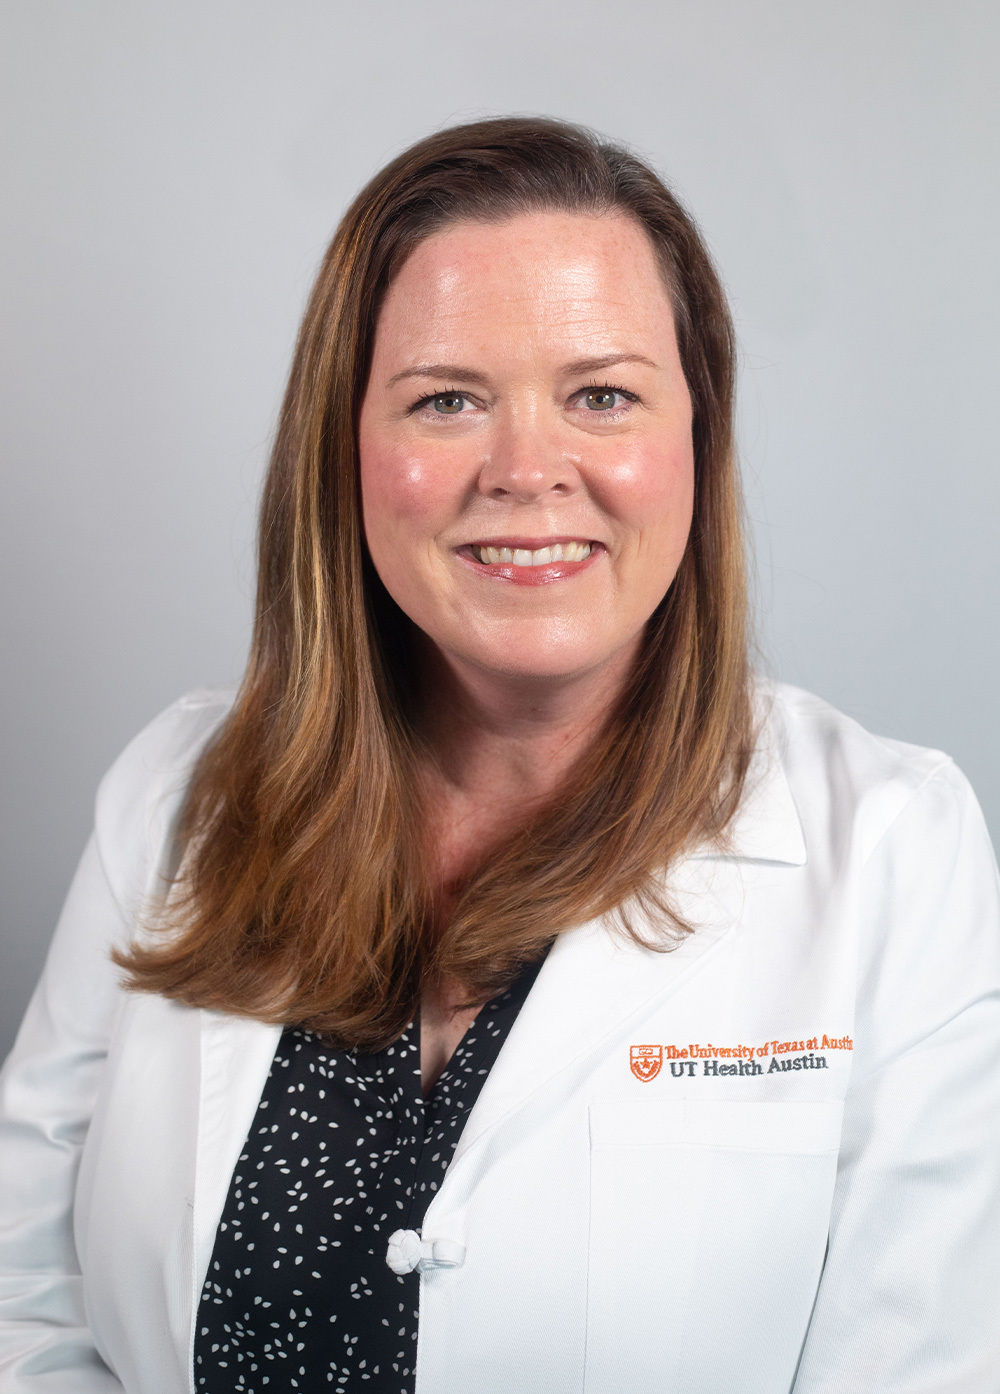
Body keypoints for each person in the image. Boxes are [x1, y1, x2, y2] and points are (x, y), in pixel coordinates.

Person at [1, 115, 998, 1394]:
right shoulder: (177, 792)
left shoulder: (894, 848)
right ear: (344, 448)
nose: (527, 470)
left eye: (602, 394)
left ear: (696, 435)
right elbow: (28, 1296)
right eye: (447, 399)